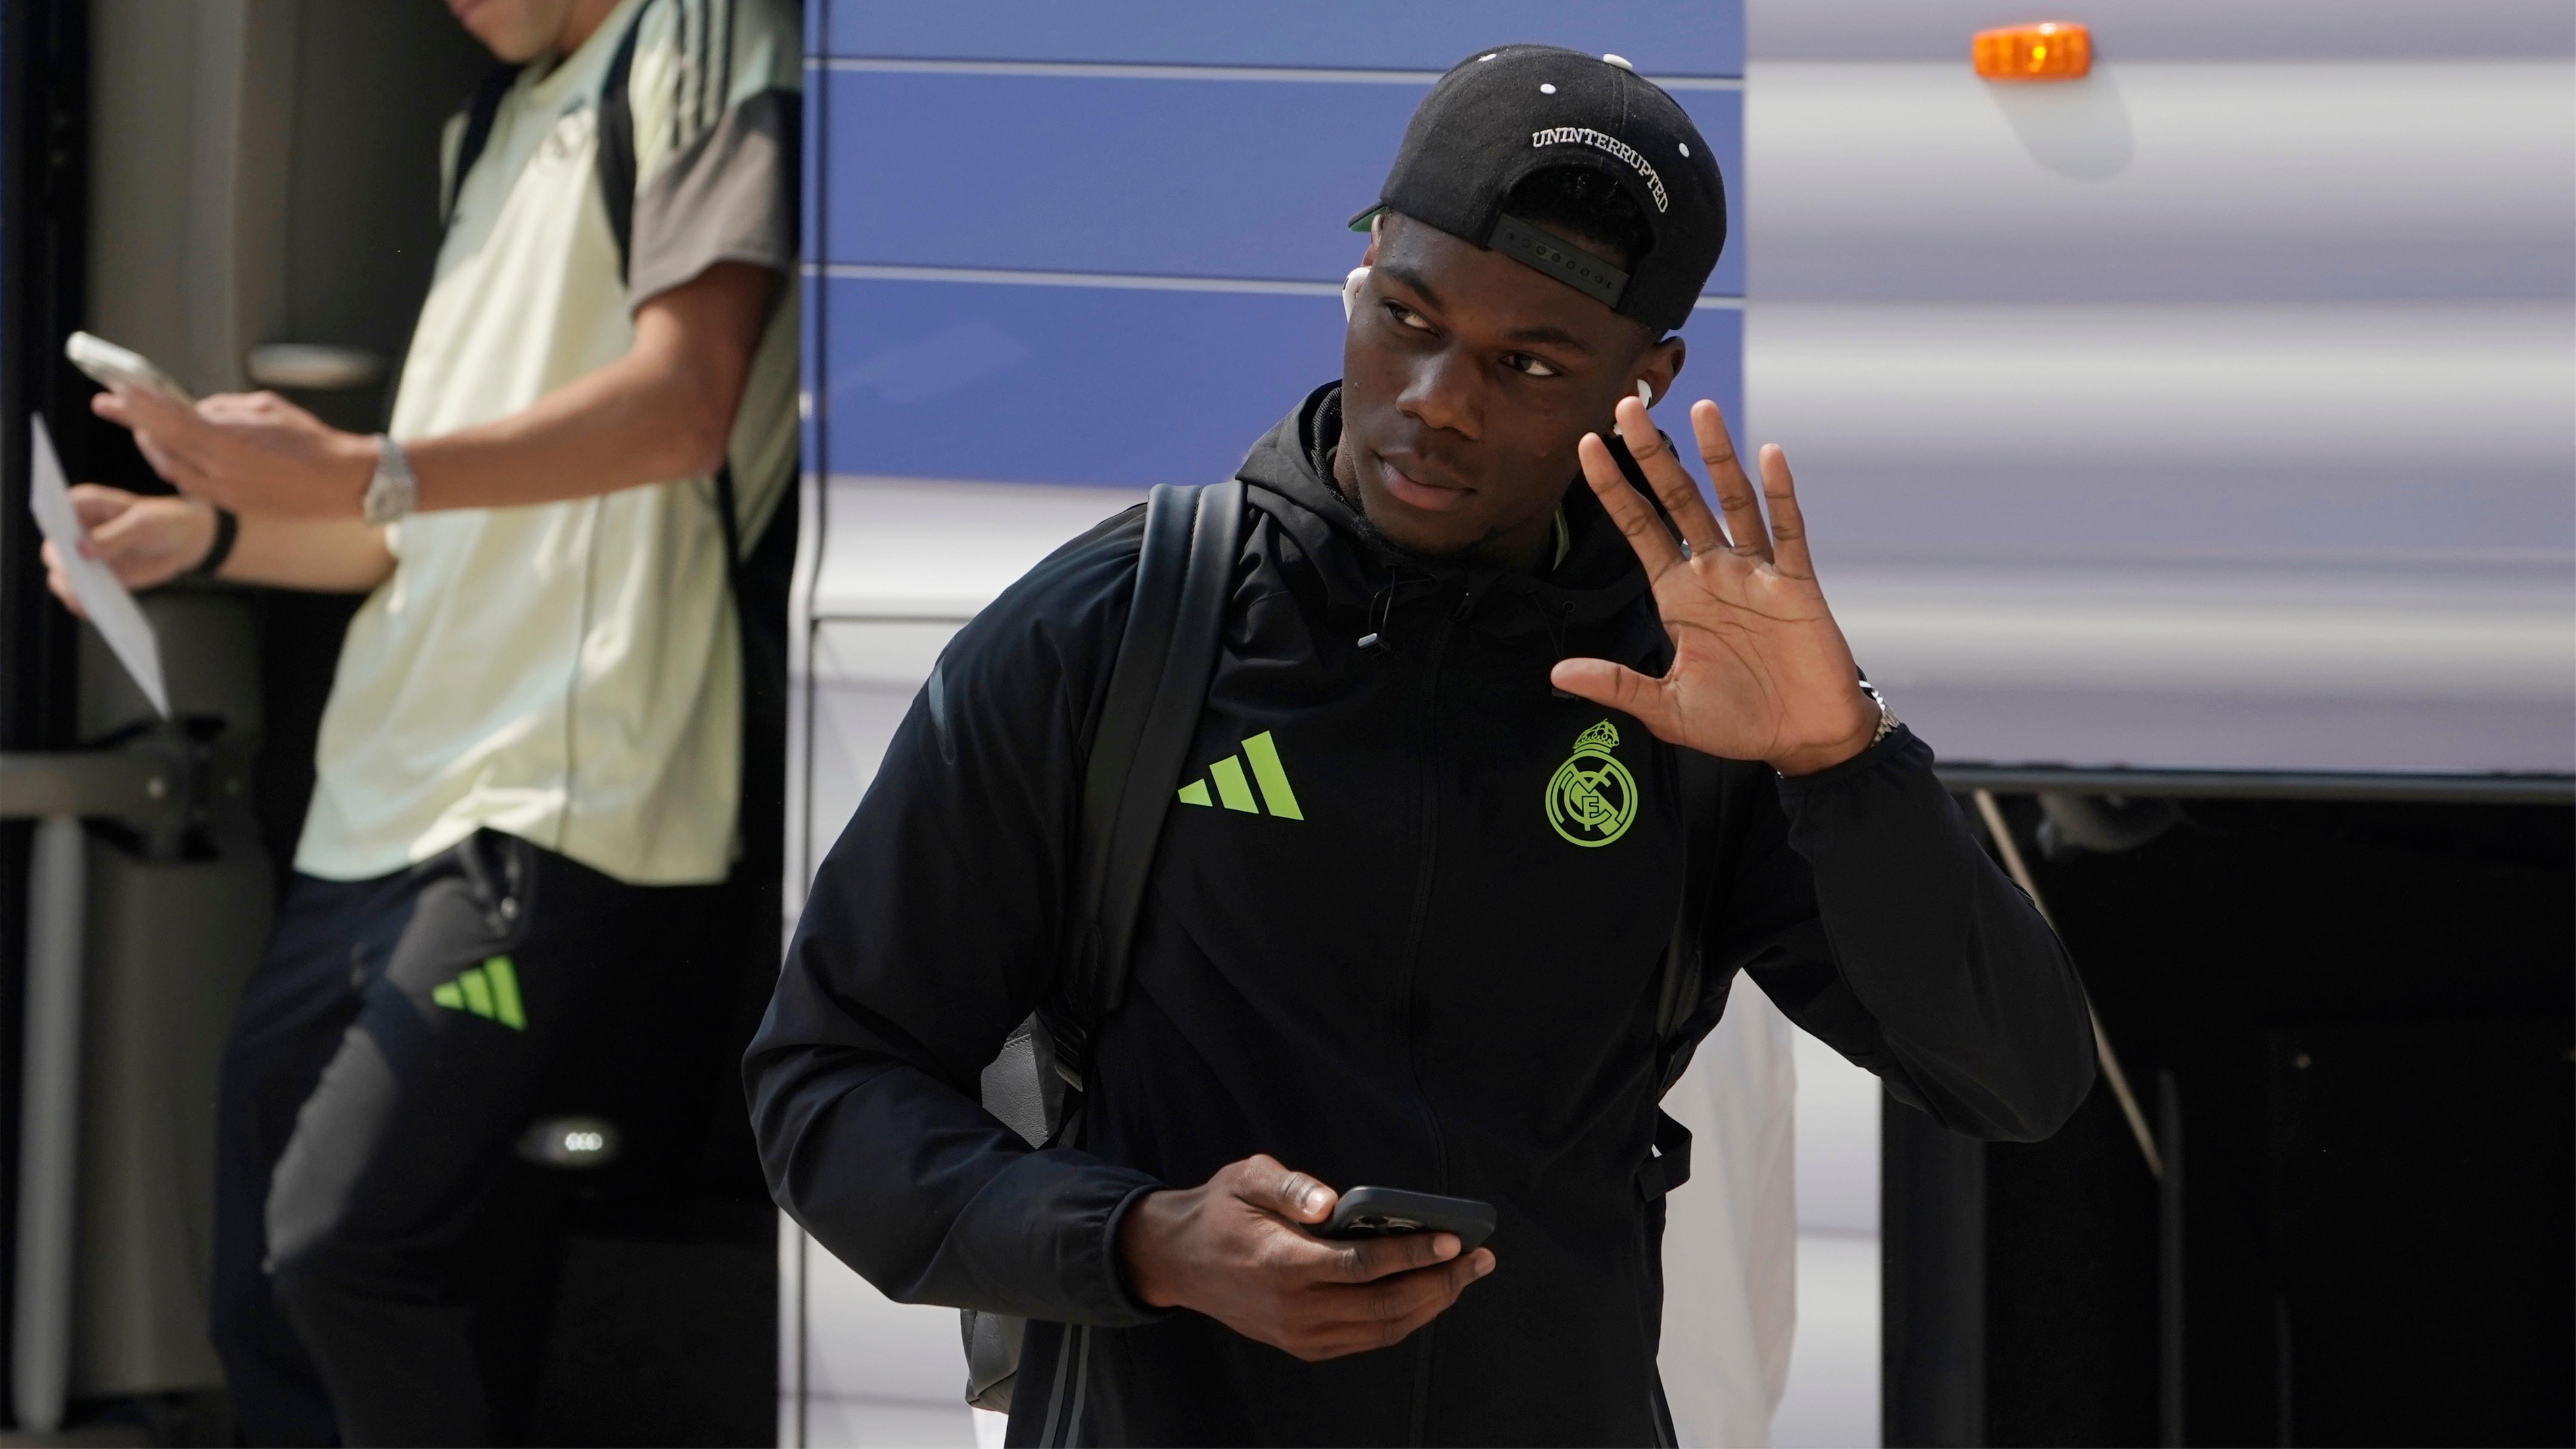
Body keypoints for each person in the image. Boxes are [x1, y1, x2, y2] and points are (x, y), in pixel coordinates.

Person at [747, 45, 2094, 1447]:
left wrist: (1842, 759)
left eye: (1530, 364)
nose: (1441, 398)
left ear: (1644, 379)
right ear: (1364, 271)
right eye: (1408, 317)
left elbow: (2016, 1080)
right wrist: (1144, 1239)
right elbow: (827, 1085)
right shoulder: (1117, 631)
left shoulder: (1691, 691)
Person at [43, 0, 799, 1441]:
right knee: (262, 1286)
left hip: (553, 788)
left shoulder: (698, 35)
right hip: (375, 800)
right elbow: (408, 529)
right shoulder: (490, 125)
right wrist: (198, 539)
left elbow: (686, 408)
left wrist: (365, 465)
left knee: (342, 1247)